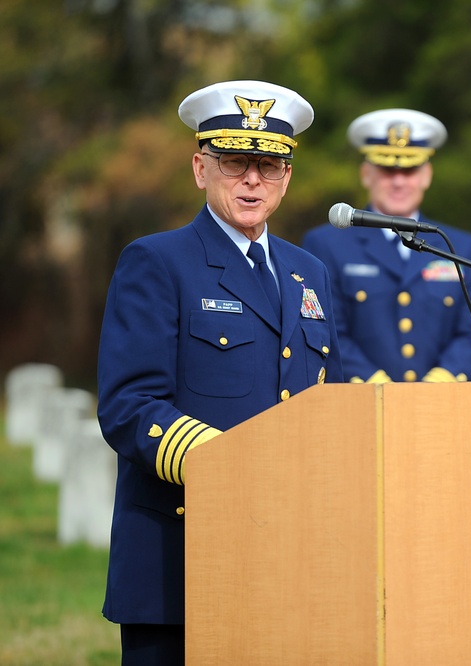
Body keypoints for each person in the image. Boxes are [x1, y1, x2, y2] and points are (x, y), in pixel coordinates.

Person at [97, 80, 344, 664]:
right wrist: (231, 469)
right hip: (182, 552)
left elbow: (324, 398)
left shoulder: (310, 272)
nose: (252, 180)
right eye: (234, 163)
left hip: (290, 550)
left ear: (288, 176)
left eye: (268, 165)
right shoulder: (156, 261)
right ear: (199, 168)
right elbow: (130, 405)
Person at [301, 108, 471, 384]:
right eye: (387, 170)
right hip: (358, 404)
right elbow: (326, 330)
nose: (399, 181)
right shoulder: (325, 244)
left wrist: (437, 385)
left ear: (426, 175)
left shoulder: (460, 247)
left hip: (441, 405)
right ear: (366, 174)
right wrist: (377, 387)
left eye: (410, 169)